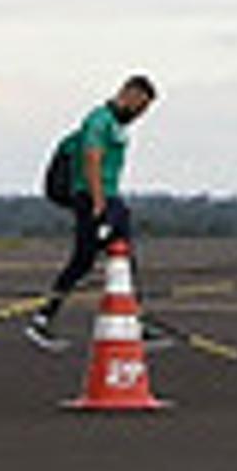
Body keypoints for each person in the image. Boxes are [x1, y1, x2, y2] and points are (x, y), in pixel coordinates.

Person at [23, 76, 156, 350]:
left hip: (111, 197)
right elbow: (91, 160)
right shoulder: (99, 120)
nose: (140, 115)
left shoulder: (117, 126)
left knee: (126, 255)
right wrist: (98, 204)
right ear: (128, 94)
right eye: (140, 107)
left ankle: (134, 321)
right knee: (82, 261)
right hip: (92, 197)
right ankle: (42, 318)